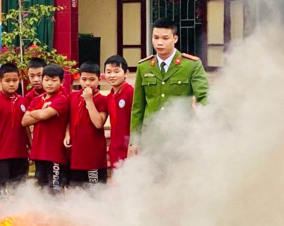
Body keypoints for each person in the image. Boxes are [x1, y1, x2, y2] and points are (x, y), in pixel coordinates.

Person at [129, 19, 210, 156]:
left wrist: (201, 126)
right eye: (156, 38)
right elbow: (138, 107)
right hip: (151, 137)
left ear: (175, 39)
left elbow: (204, 97)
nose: (159, 42)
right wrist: (135, 140)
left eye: (165, 38)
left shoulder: (191, 65)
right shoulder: (144, 66)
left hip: (180, 136)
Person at [23, 64, 70, 193]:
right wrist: (40, 111)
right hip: (39, 152)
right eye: (46, 80)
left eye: (54, 80)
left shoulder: (62, 99)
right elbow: (24, 121)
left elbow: (43, 115)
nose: (49, 83)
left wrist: (35, 113)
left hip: (55, 153)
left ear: (61, 82)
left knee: (55, 190)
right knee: (42, 189)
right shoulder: (37, 99)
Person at [0, 63, 31, 197]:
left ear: (19, 79)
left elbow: (26, 127)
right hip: (1, 155)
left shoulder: (23, 101)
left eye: (15, 80)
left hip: (21, 154)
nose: (11, 84)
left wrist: (31, 147)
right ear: (0, 81)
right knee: (0, 190)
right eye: (7, 81)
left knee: (20, 190)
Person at [64, 62, 109, 188]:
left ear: (99, 80)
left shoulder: (102, 100)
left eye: (92, 79)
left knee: (95, 193)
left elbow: (98, 123)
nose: (88, 83)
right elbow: (68, 119)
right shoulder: (73, 96)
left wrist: (89, 100)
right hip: (75, 156)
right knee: (75, 192)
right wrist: (67, 134)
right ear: (79, 79)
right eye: (84, 79)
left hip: (94, 157)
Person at [104, 55, 134, 169]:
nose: (112, 75)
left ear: (126, 73)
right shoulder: (109, 97)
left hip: (129, 149)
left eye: (116, 71)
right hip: (115, 149)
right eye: (108, 72)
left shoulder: (131, 93)